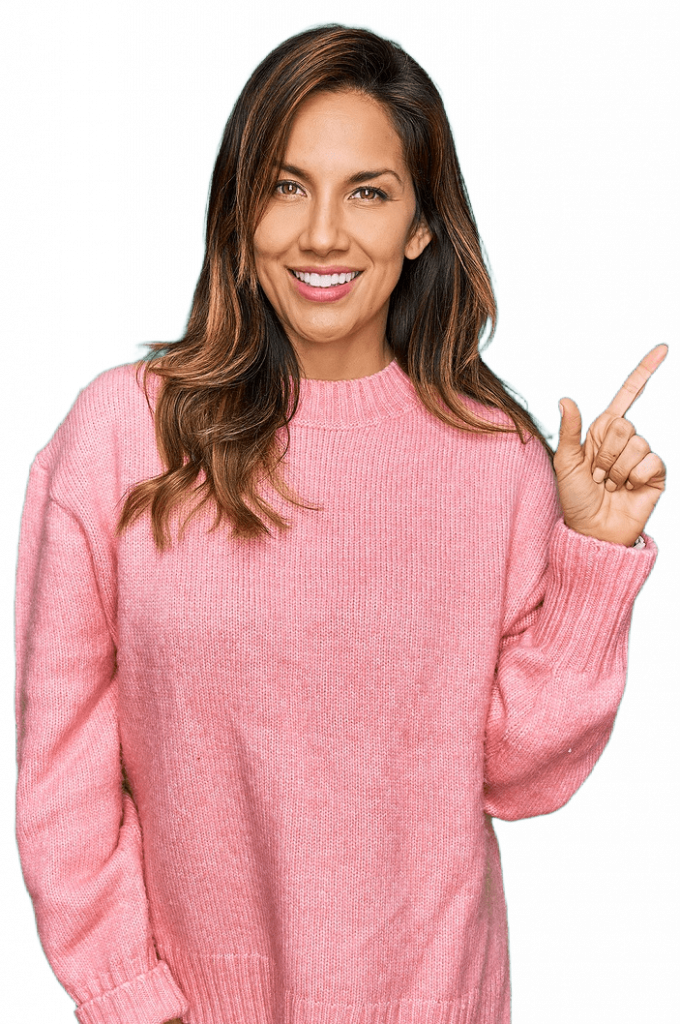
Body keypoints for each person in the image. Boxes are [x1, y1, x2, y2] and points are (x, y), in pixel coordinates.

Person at [13, 20, 668, 1024]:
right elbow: (61, 763)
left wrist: (594, 558)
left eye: (368, 192)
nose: (322, 234)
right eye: (287, 186)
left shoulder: (498, 457)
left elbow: (518, 781)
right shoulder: (119, 433)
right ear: (240, 211)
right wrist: (127, 996)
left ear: (420, 226)